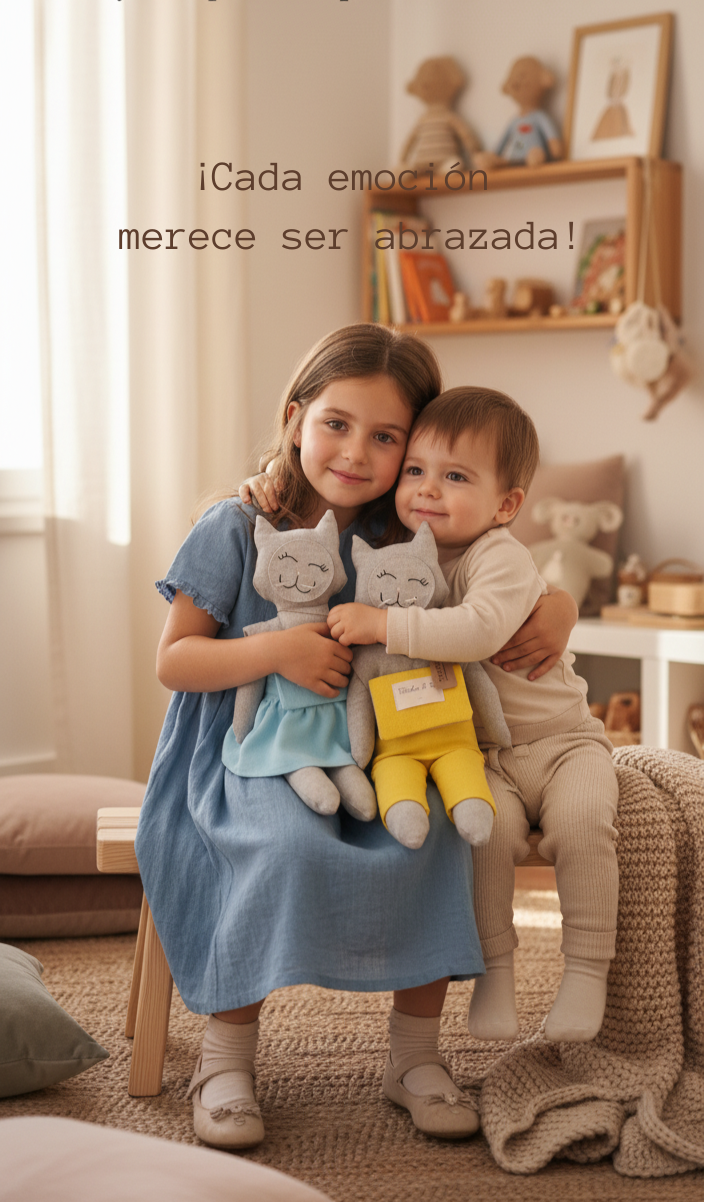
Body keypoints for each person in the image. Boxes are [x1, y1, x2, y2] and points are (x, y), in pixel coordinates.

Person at [137, 328, 577, 1154]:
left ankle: (414, 1059)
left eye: (386, 437)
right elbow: (175, 661)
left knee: (438, 833)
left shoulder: (407, 530)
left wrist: (560, 607)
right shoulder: (236, 524)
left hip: (382, 748)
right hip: (249, 749)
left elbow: (504, 576)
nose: (355, 452)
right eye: (336, 424)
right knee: (277, 843)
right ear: (295, 419)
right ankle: (225, 1062)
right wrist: (277, 650)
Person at [326, 386, 619, 1048]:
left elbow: (478, 629)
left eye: (456, 477)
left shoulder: (499, 555)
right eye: (416, 471)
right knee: (482, 836)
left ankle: (586, 969)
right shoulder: (402, 551)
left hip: (564, 744)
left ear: (505, 505)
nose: (428, 489)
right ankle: (496, 969)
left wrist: (383, 623)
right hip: (483, 753)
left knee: (583, 826)